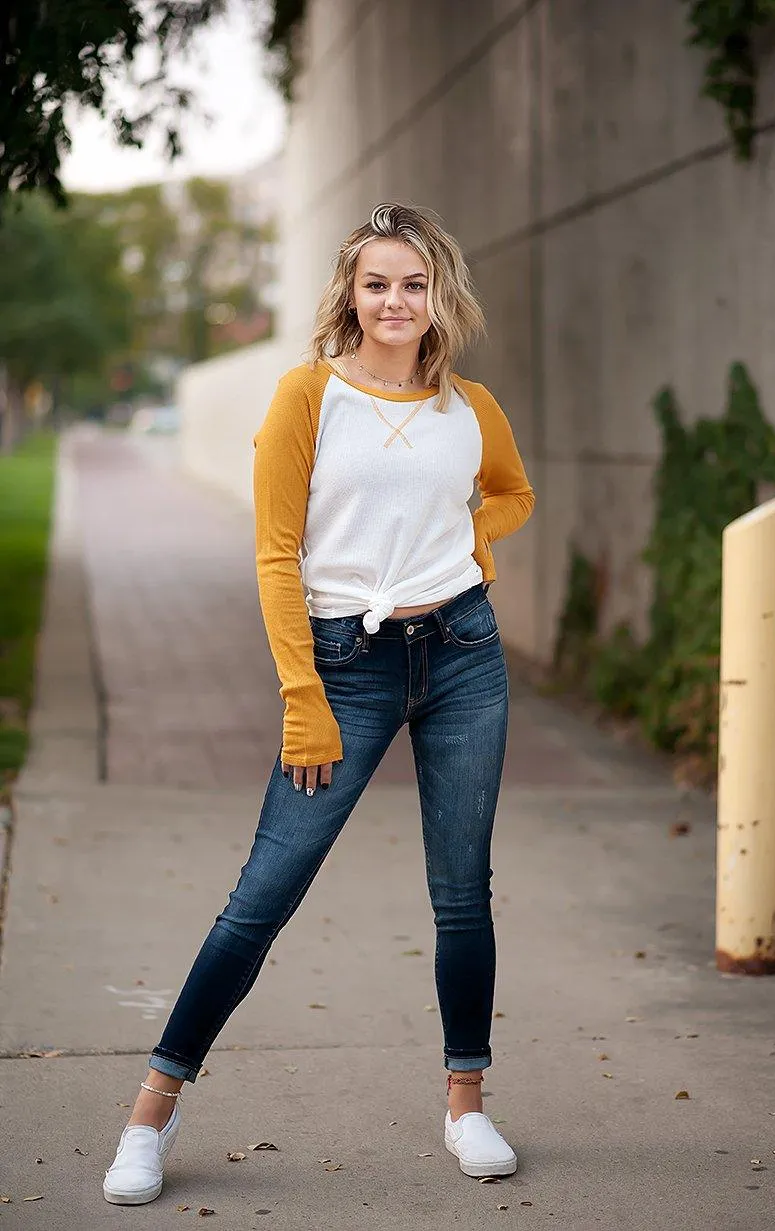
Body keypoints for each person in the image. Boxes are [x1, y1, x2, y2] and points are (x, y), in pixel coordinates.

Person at [103, 202, 535, 1205]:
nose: (395, 300)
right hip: (347, 662)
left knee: (463, 889)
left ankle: (466, 1103)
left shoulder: (468, 407)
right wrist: (303, 690)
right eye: (377, 281)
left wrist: (471, 542)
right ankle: (149, 1115)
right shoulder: (309, 397)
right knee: (264, 893)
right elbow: (275, 552)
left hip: (465, 651)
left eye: (413, 283)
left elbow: (510, 491)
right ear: (350, 292)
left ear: (441, 297)